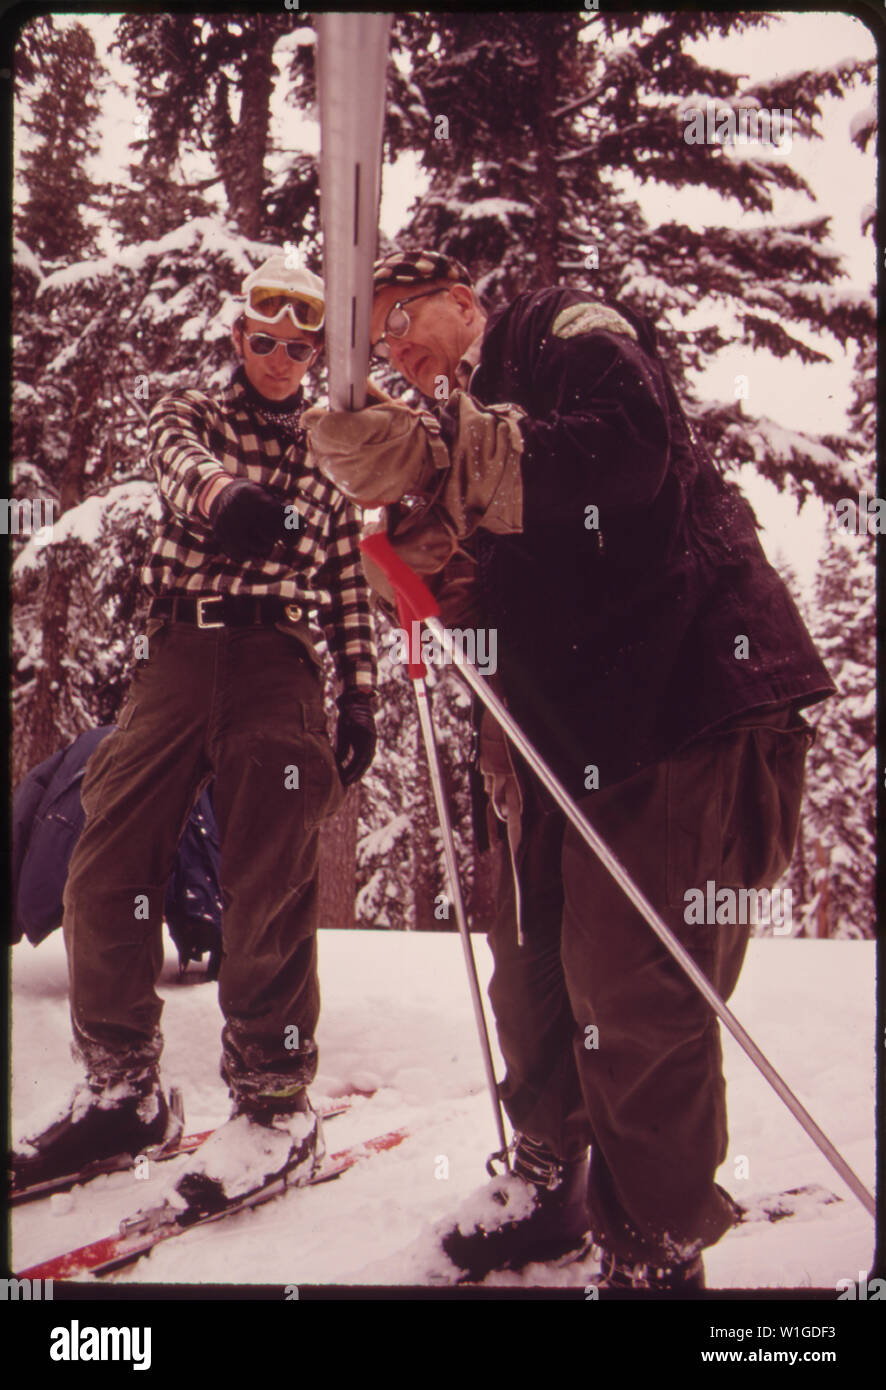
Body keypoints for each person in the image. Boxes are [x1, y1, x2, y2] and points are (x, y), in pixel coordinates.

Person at [305, 248, 834, 1288]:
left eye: (404, 320)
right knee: (533, 969)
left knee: (633, 987)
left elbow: (627, 456)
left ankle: (653, 1243)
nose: (400, 353)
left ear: (465, 302)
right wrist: (430, 568)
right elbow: (514, 587)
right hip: (569, 743)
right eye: (381, 347)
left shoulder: (561, 335)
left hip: (689, 706)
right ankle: (549, 1176)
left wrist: (435, 453)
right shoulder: (481, 420)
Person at [13, 254, 378, 1214]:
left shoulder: (330, 444)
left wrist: (361, 698)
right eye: (265, 341)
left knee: (268, 878)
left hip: (280, 666)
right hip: (181, 651)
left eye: (300, 348)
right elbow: (183, 468)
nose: (281, 360)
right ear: (238, 337)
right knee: (106, 857)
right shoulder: (194, 413)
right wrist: (229, 500)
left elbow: (347, 578)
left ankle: (272, 1100)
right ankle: (122, 1087)